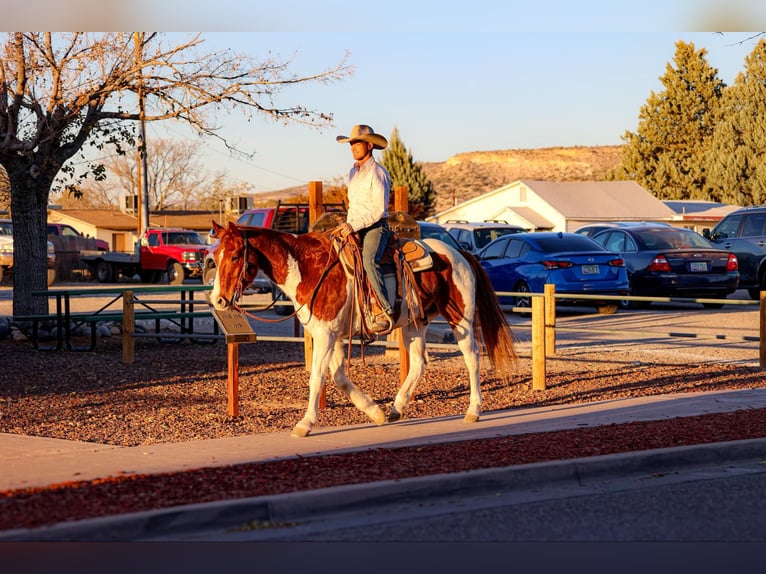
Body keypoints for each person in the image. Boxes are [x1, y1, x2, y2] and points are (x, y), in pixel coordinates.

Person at [334, 124, 393, 333]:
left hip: (376, 227)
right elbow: (354, 206)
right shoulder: (353, 172)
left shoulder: (378, 173)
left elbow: (378, 209)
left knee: (368, 260)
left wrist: (353, 225)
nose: (352, 147)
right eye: (351, 144)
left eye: (356, 143)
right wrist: (346, 226)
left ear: (369, 145)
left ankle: (382, 310)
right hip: (355, 226)